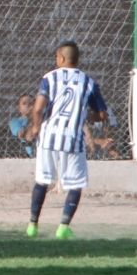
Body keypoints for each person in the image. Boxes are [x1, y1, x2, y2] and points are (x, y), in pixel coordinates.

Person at [25, 41, 108, 240]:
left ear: (61, 58)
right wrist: (88, 117)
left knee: (42, 181)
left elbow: (38, 108)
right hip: (73, 139)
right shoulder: (88, 82)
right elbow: (102, 115)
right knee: (75, 184)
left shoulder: (49, 78)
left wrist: (36, 127)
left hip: (48, 137)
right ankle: (63, 227)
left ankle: (32, 225)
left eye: (56, 57)